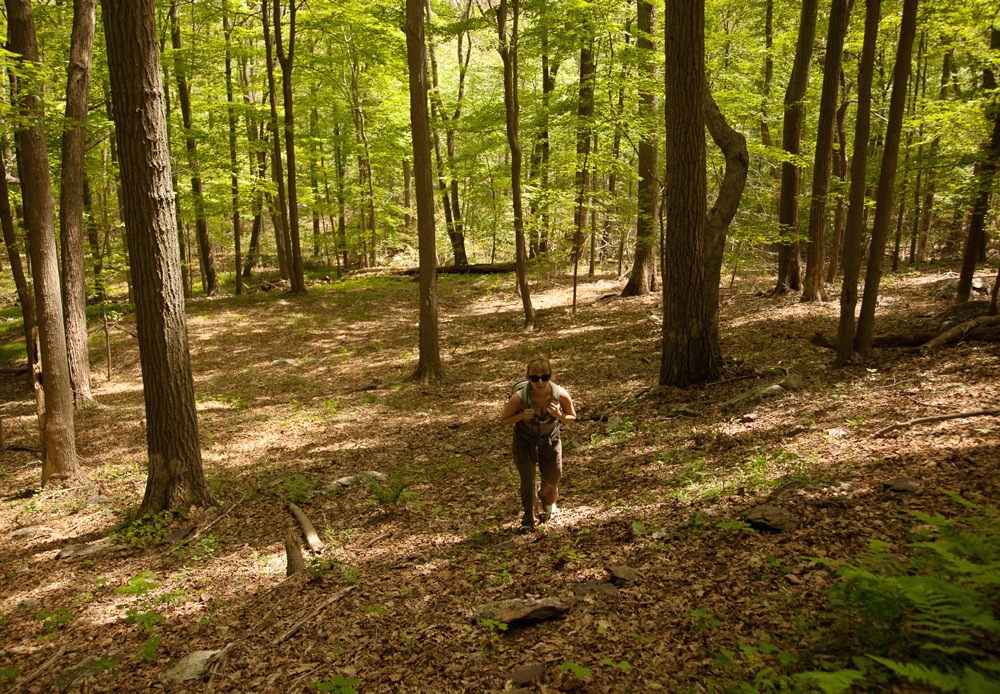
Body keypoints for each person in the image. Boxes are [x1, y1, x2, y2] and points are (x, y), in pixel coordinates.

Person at [499, 357, 576, 532]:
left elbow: (572, 417)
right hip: (524, 441)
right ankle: (528, 520)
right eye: (535, 378)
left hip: (550, 439)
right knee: (528, 480)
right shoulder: (520, 397)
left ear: (550, 376)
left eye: (545, 377)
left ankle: (547, 499)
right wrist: (521, 416)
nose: (540, 382)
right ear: (528, 378)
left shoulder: (560, 394)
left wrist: (560, 415)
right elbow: (503, 420)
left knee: (554, 476)